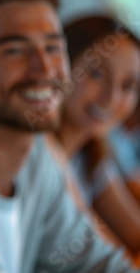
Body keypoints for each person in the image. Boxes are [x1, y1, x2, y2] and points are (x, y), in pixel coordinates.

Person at [0, 0, 138, 272]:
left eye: (52, 48)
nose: (45, 70)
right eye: (15, 50)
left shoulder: (38, 159)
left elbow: (101, 261)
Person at [50, 15, 140, 255]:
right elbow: (101, 256)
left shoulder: (93, 154)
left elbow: (135, 233)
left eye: (128, 85)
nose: (111, 98)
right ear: (60, 67)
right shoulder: (40, 153)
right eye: (98, 75)